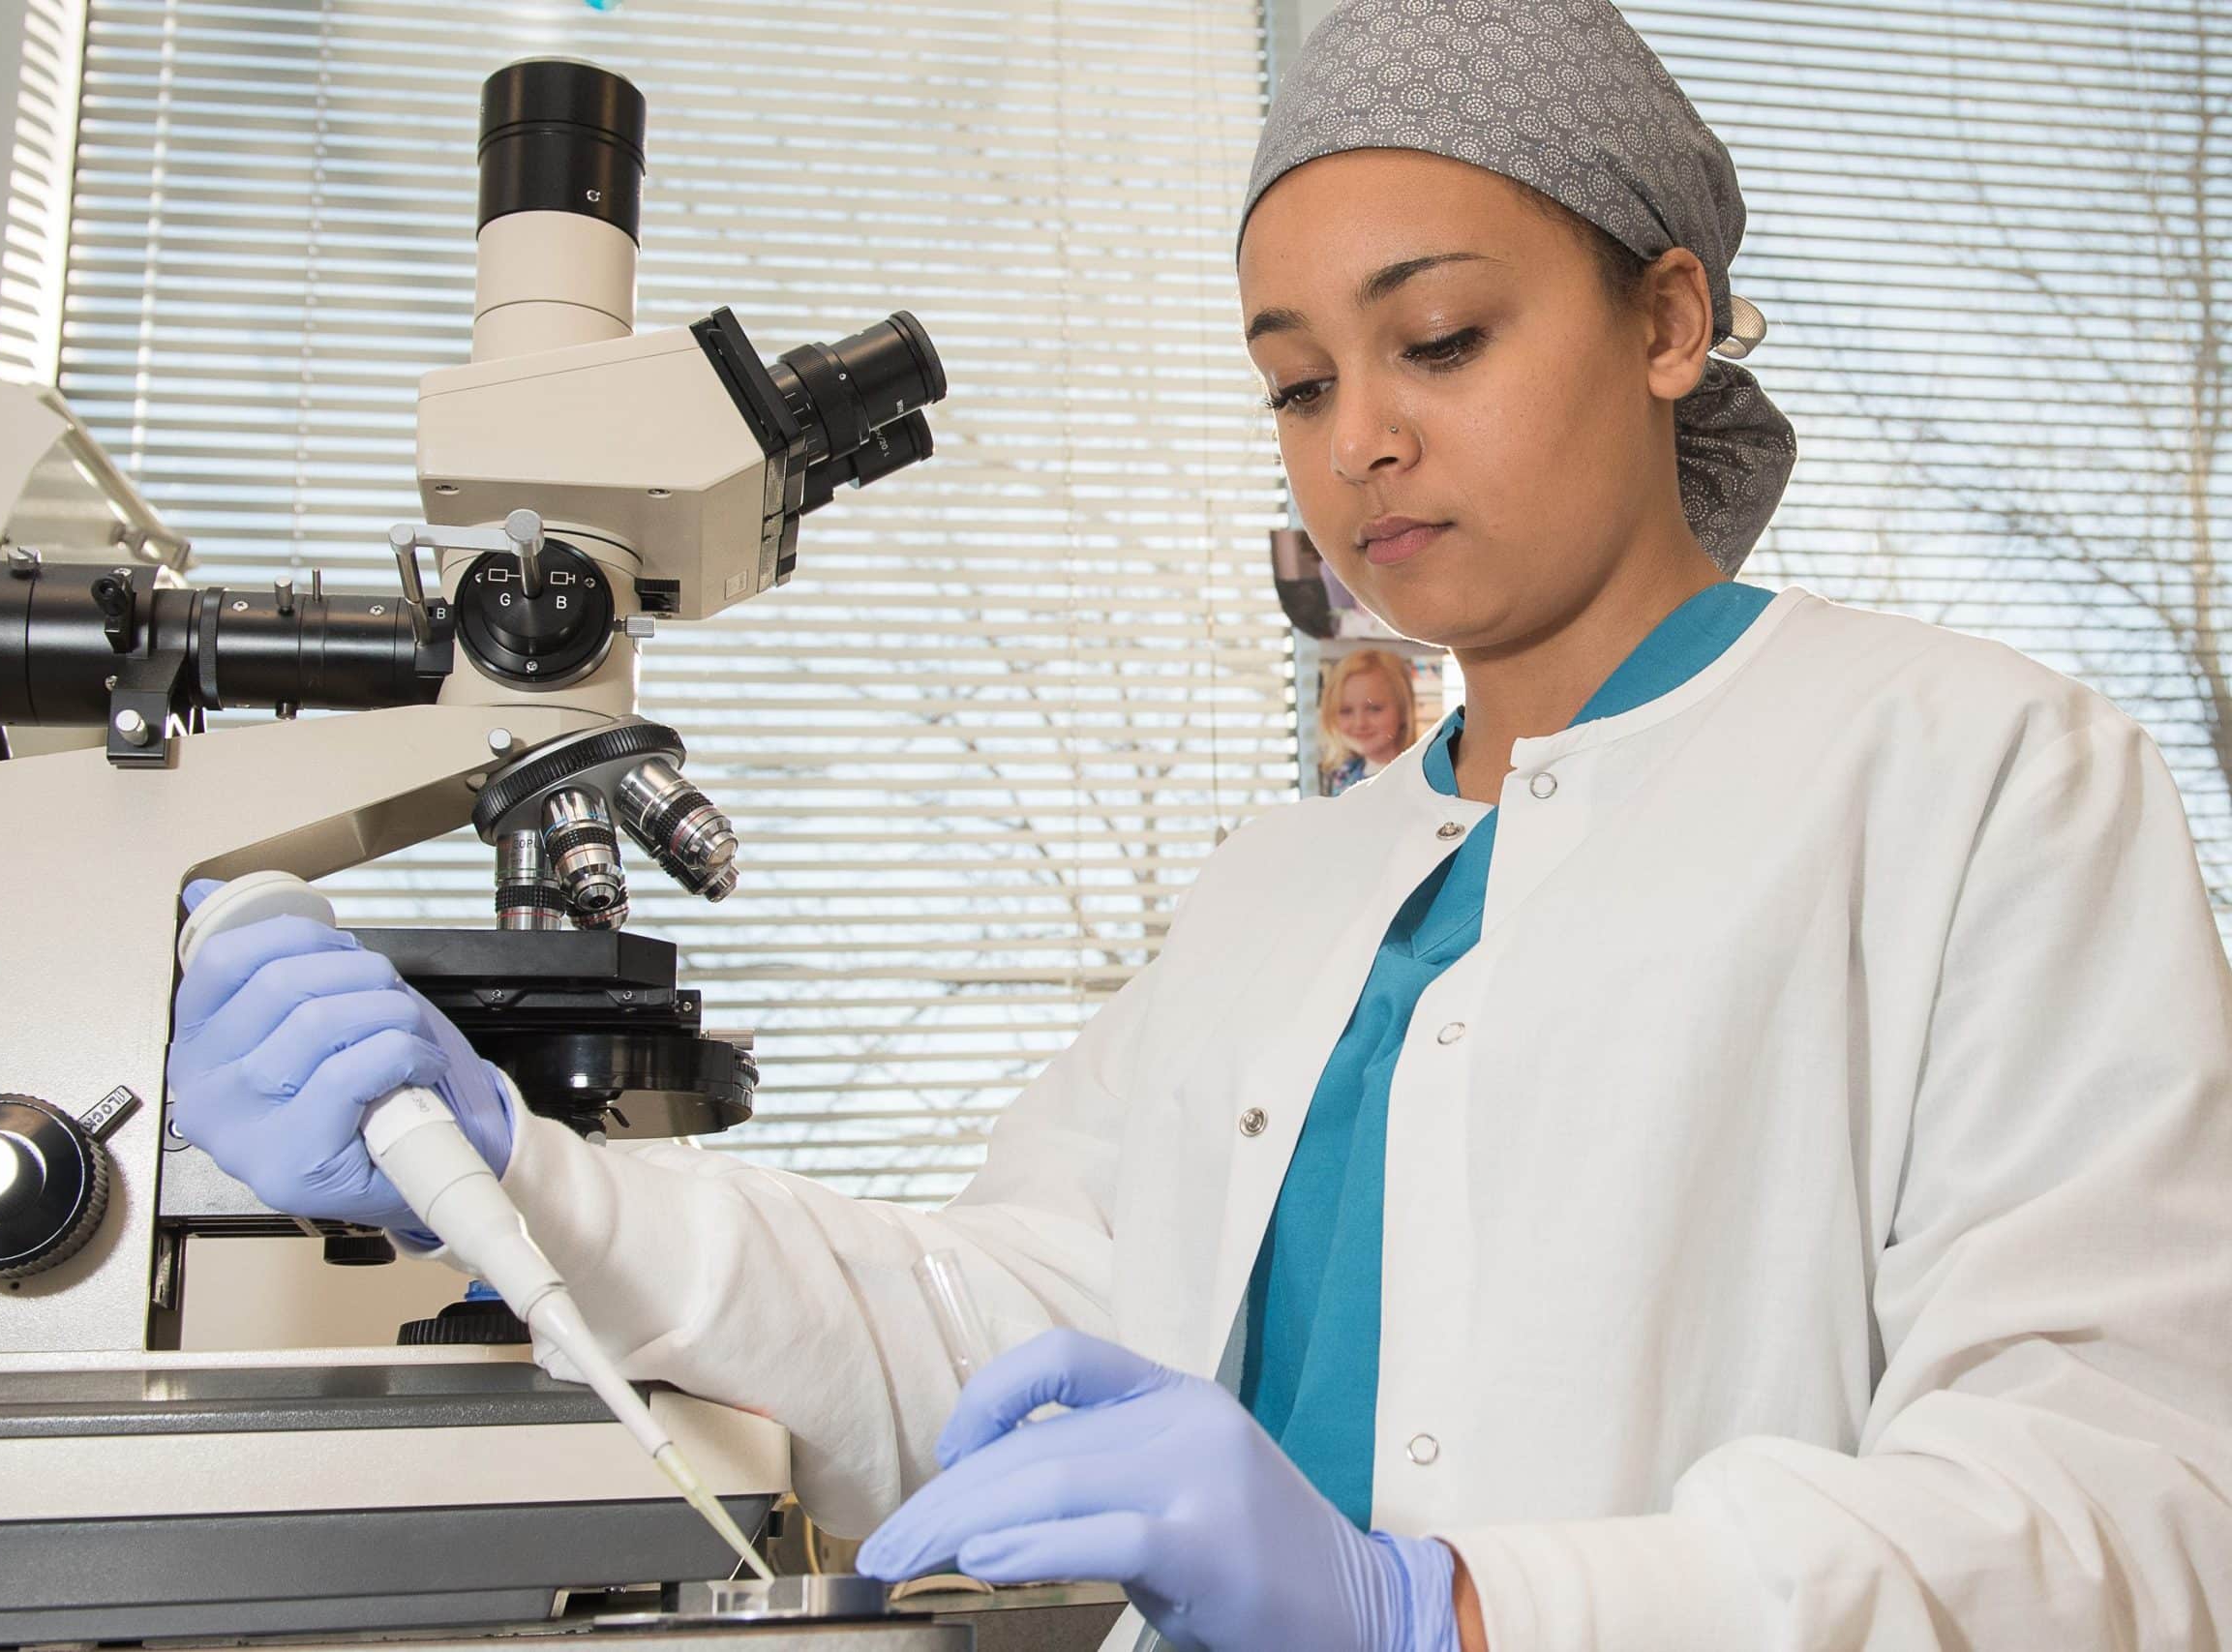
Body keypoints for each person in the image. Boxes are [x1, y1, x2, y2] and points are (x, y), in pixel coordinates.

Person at [166, 2, 2232, 1648]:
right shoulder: (1294, 879)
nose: (1364, 438)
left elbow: (2125, 1506)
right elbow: (998, 1319)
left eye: (1436, 338)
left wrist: (1449, 1612)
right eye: (1294, 380)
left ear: (1666, 322)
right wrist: (510, 1177)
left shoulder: (1979, 775)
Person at [1320, 647, 1421, 795]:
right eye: (1346, 711)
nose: (1360, 723)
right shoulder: (1344, 775)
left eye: (1374, 709)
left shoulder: (1420, 779)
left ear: (1404, 710)